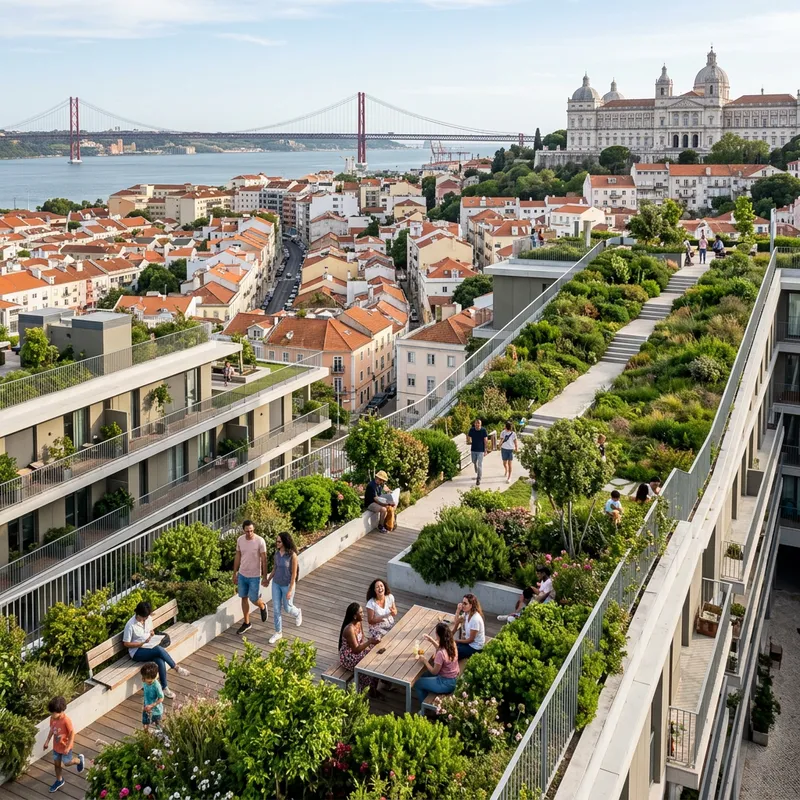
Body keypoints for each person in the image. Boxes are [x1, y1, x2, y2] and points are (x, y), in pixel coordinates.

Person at [123, 601, 189, 699]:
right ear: (138, 614)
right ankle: (176, 668)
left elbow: (150, 630)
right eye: (144, 617)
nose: (145, 619)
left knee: (160, 660)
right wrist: (140, 644)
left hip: (149, 646)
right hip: (137, 651)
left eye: (146, 617)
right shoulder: (130, 625)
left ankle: (165, 688)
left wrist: (152, 634)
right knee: (158, 650)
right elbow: (126, 643)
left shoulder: (148, 619)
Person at [264, 531, 302, 644]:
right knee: (276, 609)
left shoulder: (292, 556)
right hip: (276, 584)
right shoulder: (276, 555)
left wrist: (290, 590)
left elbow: (294, 574)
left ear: (285, 542)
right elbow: (275, 569)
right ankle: (278, 632)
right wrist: (268, 579)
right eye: (277, 541)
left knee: (287, 608)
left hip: (287, 585)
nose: (277, 543)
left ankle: (298, 613)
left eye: (279, 541)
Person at [233, 519, 269, 636]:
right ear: (243, 530)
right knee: (243, 597)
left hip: (254, 576)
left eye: (252, 531)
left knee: (253, 599)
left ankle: (262, 606)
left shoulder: (260, 541)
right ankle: (246, 623)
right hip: (243, 574)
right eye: (247, 531)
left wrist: (264, 577)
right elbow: (238, 556)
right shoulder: (240, 540)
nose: (250, 533)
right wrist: (235, 573)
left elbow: (264, 559)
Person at [415, 622, 459, 713]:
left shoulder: (440, 654)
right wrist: (431, 640)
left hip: (445, 683)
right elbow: (441, 649)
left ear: (439, 635)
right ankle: (427, 694)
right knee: (424, 675)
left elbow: (434, 672)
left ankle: (424, 709)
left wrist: (425, 661)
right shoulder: (452, 644)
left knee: (418, 683)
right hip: (454, 679)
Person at [338, 602, 380, 696]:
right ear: (354, 616)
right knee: (367, 664)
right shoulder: (349, 629)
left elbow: (362, 638)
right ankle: (364, 690)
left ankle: (373, 688)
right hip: (349, 656)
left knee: (377, 655)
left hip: (358, 651)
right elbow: (356, 649)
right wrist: (369, 642)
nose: (363, 615)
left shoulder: (359, 622)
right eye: (360, 613)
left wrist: (371, 644)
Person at [45, 696, 84, 793]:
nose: (52, 715)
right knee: (56, 764)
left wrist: (68, 747)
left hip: (65, 747)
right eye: (51, 712)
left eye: (54, 712)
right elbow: (52, 730)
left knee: (67, 763)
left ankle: (79, 760)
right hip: (56, 747)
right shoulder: (52, 719)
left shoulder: (66, 721)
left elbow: (72, 734)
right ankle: (59, 780)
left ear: (61, 711)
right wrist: (47, 741)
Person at [451, 593, 485, 660]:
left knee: (452, 653)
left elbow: (471, 640)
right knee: (451, 647)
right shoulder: (467, 613)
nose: (462, 605)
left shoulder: (475, 619)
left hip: (475, 647)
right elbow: (456, 621)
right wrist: (458, 610)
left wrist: (457, 641)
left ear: (471, 605)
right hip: (468, 643)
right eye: (462, 603)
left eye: (465, 604)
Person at [140, 662, 165, 733]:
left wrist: (152, 705)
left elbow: (161, 698)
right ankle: (146, 734)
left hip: (156, 710)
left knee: (158, 725)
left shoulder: (156, 686)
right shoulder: (145, 681)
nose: (145, 680)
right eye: (144, 678)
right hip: (146, 707)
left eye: (149, 681)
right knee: (145, 721)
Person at [467, 418, 489, 486]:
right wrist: (469, 440)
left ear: (480, 424)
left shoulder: (483, 430)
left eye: (478, 423)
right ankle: (477, 471)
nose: (477, 424)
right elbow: (468, 436)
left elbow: (485, 440)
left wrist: (485, 449)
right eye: (476, 423)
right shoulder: (472, 430)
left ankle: (478, 478)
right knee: (474, 461)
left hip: (480, 450)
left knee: (480, 465)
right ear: (474, 424)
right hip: (473, 449)